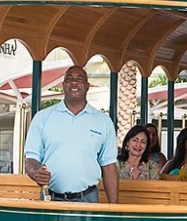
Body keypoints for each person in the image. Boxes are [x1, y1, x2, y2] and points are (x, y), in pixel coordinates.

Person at [24, 66, 118, 203]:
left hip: (87, 199)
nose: (74, 82)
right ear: (63, 85)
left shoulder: (103, 121)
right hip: (50, 199)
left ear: (87, 86)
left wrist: (114, 211)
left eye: (79, 79)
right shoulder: (42, 117)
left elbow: (109, 166)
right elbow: (31, 159)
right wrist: (35, 172)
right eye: (69, 79)